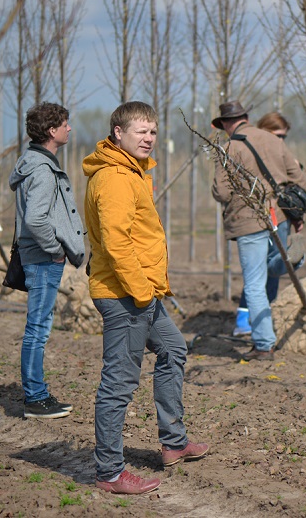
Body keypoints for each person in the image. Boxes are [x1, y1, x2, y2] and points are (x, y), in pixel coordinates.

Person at [83, 102, 208, 495]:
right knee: (119, 383)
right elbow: (118, 243)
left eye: (152, 131)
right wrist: (140, 292)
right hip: (125, 294)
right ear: (117, 133)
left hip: (141, 292)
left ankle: (173, 442)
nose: (149, 138)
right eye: (140, 131)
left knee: (173, 349)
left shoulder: (133, 173)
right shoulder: (116, 178)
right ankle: (110, 471)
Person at [211, 101, 306, 361]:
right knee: (273, 268)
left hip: (249, 220)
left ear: (225, 124)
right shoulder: (272, 139)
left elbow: (221, 192)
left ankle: (264, 345)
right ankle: (291, 259)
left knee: (254, 283)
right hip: (280, 215)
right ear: (245, 118)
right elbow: (297, 177)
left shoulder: (229, 147)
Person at [9, 102, 86, 420]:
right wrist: (55, 249)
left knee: (37, 326)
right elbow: (37, 219)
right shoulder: (41, 169)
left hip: (38, 257)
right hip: (42, 259)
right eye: (65, 124)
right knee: (38, 328)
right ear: (52, 131)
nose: (69, 129)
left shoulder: (34, 163)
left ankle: (36, 392)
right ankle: (35, 398)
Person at [232, 111, 304, 336]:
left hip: (279, 216)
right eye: (276, 135)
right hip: (255, 216)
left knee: (270, 268)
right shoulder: (246, 150)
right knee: (258, 271)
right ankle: (247, 319)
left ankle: (262, 318)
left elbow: (298, 180)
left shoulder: (282, 154)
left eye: (283, 137)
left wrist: (297, 214)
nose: (279, 141)